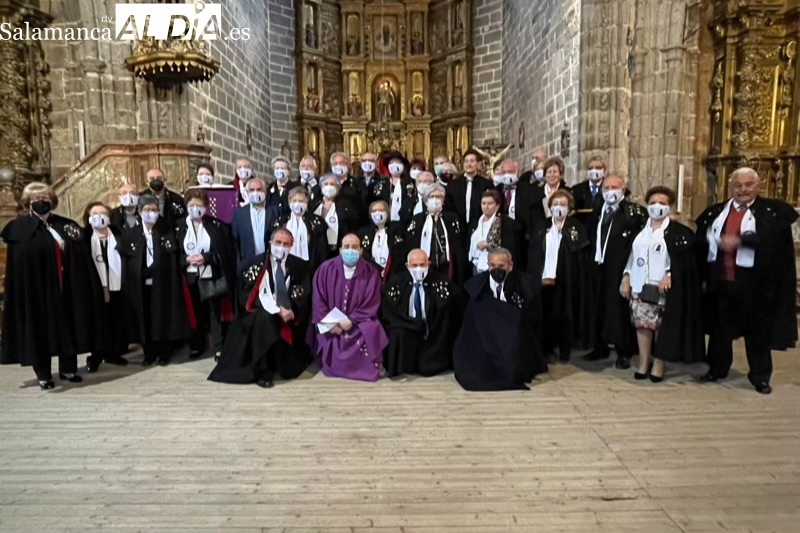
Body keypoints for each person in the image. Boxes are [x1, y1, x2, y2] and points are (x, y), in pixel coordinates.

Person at [696, 167, 798, 394]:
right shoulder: (716, 213)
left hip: (756, 285)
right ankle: (717, 369)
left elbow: (772, 242)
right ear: (730, 187)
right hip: (722, 281)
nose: (743, 189)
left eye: (748, 185)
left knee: (757, 333)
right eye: (738, 185)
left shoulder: (771, 212)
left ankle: (760, 377)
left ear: (757, 185)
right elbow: (702, 243)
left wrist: (740, 241)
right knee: (720, 331)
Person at [0, 182, 83, 389]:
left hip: (65, 288)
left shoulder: (65, 225)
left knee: (68, 326)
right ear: (28, 203)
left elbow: (80, 254)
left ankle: (68, 368)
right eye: (36, 199)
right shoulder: (19, 229)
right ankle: (44, 374)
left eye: (45, 198)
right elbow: (20, 262)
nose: (41, 202)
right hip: (37, 290)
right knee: (40, 330)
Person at [620, 186, 704, 382]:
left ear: (670, 207)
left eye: (663, 203)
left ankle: (659, 362)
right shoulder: (639, 229)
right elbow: (631, 256)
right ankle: (643, 360)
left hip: (664, 288)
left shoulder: (679, 232)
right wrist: (626, 277)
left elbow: (683, 261)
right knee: (642, 325)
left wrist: (670, 274)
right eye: (653, 203)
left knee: (661, 327)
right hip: (641, 285)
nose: (657, 206)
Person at [209, 228, 312, 388]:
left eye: (286, 243)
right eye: (278, 242)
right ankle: (263, 370)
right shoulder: (254, 264)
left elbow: (304, 292)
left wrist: (290, 306)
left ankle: (282, 363)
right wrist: (276, 309)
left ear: (292, 245)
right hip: (258, 313)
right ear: (270, 243)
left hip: (288, 312)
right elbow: (246, 296)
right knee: (264, 318)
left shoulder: (299, 265)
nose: (281, 246)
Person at [453, 248, 547, 391]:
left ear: (510, 265)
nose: (496, 269)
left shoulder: (525, 284)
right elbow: (472, 320)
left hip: (513, 337)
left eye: (501, 266)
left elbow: (532, 318)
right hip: (485, 336)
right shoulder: (476, 286)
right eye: (492, 266)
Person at [119, 194, 191, 366]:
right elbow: (127, 259)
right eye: (147, 210)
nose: (151, 213)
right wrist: (140, 271)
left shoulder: (166, 231)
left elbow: (172, 258)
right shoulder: (132, 234)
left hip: (163, 284)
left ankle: (164, 352)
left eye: (154, 210)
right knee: (145, 319)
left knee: (162, 317)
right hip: (140, 285)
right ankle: (149, 353)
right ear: (139, 211)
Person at [585, 175, 647, 369]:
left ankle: (624, 351)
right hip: (598, 266)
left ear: (623, 189)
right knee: (598, 306)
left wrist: (628, 274)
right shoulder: (597, 211)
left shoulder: (633, 213)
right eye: (606, 188)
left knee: (618, 309)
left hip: (620, 267)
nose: (610, 191)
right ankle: (600, 346)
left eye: (614, 187)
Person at [308, 234, 389, 382]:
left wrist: (352, 319)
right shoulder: (325, 269)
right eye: (346, 247)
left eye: (354, 247)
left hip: (359, 320)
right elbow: (318, 300)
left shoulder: (371, 272)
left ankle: (371, 367)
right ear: (340, 250)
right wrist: (329, 323)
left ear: (361, 250)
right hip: (332, 323)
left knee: (372, 328)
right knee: (325, 333)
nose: (350, 250)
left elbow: (372, 301)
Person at [527, 190, 595, 362]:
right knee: (546, 314)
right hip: (544, 277)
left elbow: (579, 256)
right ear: (550, 207)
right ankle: (547, 349)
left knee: (564, 314)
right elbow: (534, 253)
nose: (559, 208)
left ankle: (565, 348)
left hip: (566, 278)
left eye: (563, 204)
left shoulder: (576, 228)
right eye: (555, 204)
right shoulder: (542, 226)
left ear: (569, 207)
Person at [381, 249, 461, 378]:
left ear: (428, 264)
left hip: (431, 334)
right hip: (407, 330)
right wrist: (413, 325)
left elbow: (449, 314)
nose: (419, 269)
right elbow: (389, 314)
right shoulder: (395, 284)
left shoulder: (442, 283)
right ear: (407, 266)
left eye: (422, 265)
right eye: (414, 265)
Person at [177, 189, 237, 361]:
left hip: (211, 275)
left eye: (200, 205)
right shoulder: (179, 226)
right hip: (189, 276)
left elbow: (224, 250)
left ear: (206, 207)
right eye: (192, 205)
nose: (196, 208)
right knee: (195, 313)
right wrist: (186, 259)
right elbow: (173, 254)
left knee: (214, 313)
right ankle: (198, 345)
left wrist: (207, 257)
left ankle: (218, 346)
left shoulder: (216, 225)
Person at [77, 202, 130, 373]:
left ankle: (113, 352)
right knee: (98, 321)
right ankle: (96, 355)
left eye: (102, 213)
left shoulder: (119, 234)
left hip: (117, 283)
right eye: (94, 213)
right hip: (94, 285)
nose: (99, 216)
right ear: (88, 216)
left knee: (116, 318)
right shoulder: (82, 237)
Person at [406, 183, 468, 285]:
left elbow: (459, 244)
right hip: (425, 265)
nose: (435, 199)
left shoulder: (452, 218)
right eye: (432, 196)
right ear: (426, 200)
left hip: (446, 265)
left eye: (438, 197)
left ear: (443, 201)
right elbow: (411, 243)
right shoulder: (417, 219)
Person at [468, 189, 525, 274]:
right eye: (483, 203)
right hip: (477, 265)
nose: (486, 206)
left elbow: (509, 245)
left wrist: (489, 244)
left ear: (497, 205)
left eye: (490, 204)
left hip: (495, 267)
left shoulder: (504, 222)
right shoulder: (476, 222)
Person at [231, 178, 281, 266]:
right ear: (247, 192)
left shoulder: (276, 211)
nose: (255, 192)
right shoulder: (239, 214)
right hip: (247, 263)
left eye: (259, 189)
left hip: (270, 262)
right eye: (252, 190)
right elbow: (235, 243)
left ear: (265, 191)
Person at [279, 186, 329, 273]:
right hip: (287, 266)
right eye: (294, 200)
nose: (297, 203)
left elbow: (322, 250)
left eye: (301, 201)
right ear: (289, 202)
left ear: (307, 201)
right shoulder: (283, 221)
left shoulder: (316, 222)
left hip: (311, 267)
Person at [357, 200, 405, 281]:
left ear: (387, 212)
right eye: (374, 211)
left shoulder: (396, 229)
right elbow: (363, 254)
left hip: (393, 274)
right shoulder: (363, 232)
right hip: (371, 274)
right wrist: (378, 269)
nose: (377, 213)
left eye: (381, 210)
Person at [312, 174, 360, 256]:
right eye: (326, 184)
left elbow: (351, 226)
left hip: (336, 249)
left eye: (332, 184)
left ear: (338, 188)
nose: (329, 187)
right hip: (316, 248)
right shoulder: (314, 204)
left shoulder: (346, 205)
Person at [445, 149, 492, 227]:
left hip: (480, 225)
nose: (468, 164)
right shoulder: (453, 185)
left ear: (478, 164)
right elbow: (448, 206)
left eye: (472, 161)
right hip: (457, 226)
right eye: (466, 161)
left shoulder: (486, 184)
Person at [375, 151, 416, 226]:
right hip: (384, 222)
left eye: (398, 162)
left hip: (405, 222)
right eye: (391, 163)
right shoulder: (382, 183)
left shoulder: (409, 183)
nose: (394, 165)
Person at [530, 156, 571, 229]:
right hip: (541, 232)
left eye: (555, 172)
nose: (552, 175)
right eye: (549, 172)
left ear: (560, 175)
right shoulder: (535, 192)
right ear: (545, 175)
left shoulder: (568, 192)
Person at [140, 167, 186, 232]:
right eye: (152, 178)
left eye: (159, 178)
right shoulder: (140, 198)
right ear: (146, 181)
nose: (156, 180)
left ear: (165, 179)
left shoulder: (176, 199)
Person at [572, 155, 607, 227]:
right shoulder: (577, 189)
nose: (594, 170)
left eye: (598, 168)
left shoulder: (610, 187)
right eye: (591, 168)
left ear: (604, 170)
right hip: (582, 228)